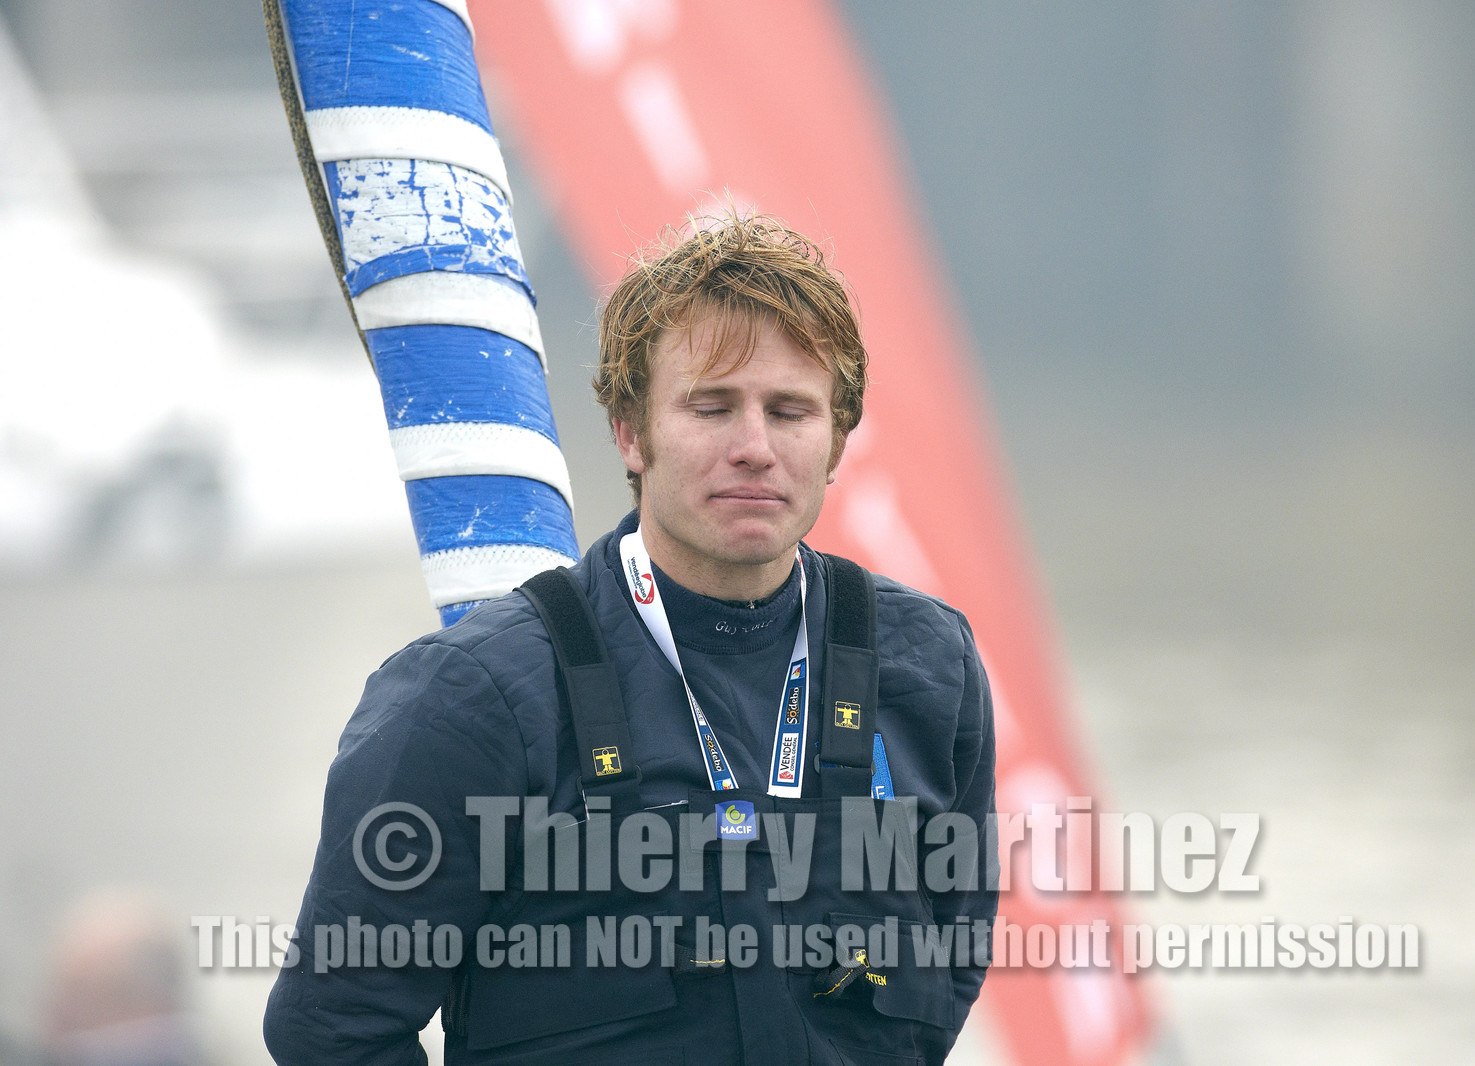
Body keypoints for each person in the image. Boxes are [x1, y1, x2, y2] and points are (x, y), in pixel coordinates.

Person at [263, 214, 997, 1066]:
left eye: (790, 410)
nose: (754, 448)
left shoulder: (927, 664)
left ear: (836, 439)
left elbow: (950, 958)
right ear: (630, 430)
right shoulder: (479, 694)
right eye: (711, 407)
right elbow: (331, 1027)